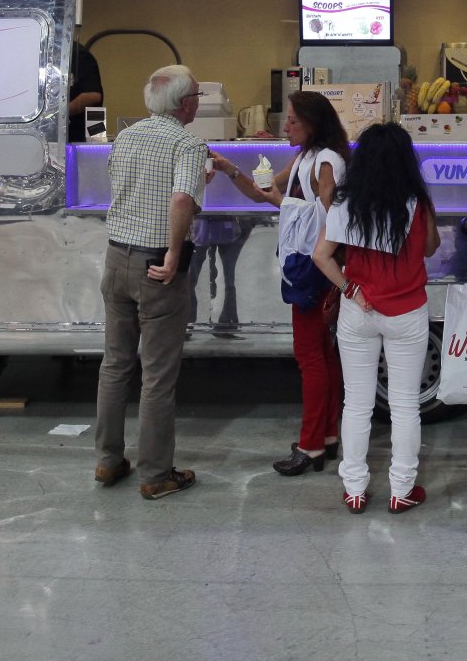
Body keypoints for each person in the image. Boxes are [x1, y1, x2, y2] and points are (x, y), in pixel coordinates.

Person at [212, 91, 348, 476]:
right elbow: (264, 193)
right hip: (312, 264)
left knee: (310, 357)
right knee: (323, 354)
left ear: (313, 123)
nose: (284, 127)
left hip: (314, 267)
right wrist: (229, 169)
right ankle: (328, 436)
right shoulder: (307, 157)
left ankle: (311, 446)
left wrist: (332, 272)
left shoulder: (325, 161)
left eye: (292, 121)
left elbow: (332, 217)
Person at [312, 123, 441, 514]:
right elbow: (431, 248)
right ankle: (402, 490)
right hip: (407, 313)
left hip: (359, 312)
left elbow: (321, 256)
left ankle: (354, 488)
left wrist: (350, 287)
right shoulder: (417, 202)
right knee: (405, 406)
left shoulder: (347, 202)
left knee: (356, 404)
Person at [94, 64, 206, 499]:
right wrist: (174, 253)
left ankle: (108, 460)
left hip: (116, 257)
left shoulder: (126, 136)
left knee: (115, 364)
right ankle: (156, 474)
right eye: (196, 94)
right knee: (157, 375)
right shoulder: (188, 143)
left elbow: (135, 187)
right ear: (184, 103)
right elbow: (179, 200)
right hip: (156, 265)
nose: (199, 101)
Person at [67, 36, 104, 141]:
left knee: (96, 149)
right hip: (69, 131)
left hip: (85, 129)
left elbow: (93, 96)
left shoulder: (78, 54)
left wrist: (55, 116)